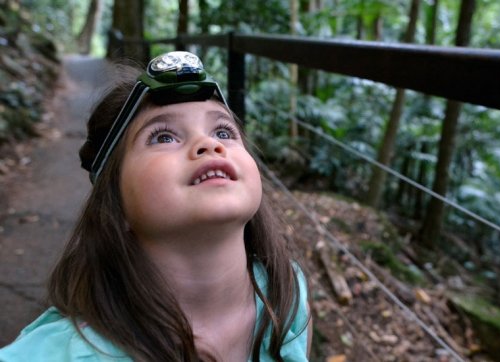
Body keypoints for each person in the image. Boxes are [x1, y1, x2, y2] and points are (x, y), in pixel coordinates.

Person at [0, 51, 311, 361]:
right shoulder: (55, 354)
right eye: (163, 136)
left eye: (223, 131)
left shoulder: (286, 295)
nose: (209, 144)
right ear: (115, 203)